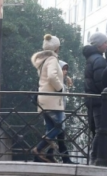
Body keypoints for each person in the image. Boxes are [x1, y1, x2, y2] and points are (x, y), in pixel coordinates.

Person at [30, 34, 65, 163]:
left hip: (44, 98)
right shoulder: (52, 59)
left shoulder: (43, 60)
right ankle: (38, 149)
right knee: (59, 126)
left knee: (51, 128)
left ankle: (49, 154)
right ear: (56, 48)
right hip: (52, 99)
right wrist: (60, 88)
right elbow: (51, 76)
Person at [41, 60, 74, 164]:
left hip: (59, 114)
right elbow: (59, 98)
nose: (65, 72)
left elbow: (64, 99)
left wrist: (68, 86)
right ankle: (42, 151)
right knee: (57, 136)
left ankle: (48, 155)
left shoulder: (61, 84)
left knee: (59, 138)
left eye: (66, 70)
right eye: (63, 69)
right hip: (55, 114)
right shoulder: (56, 84)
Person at [82, 33, 107, 159]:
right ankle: (96, 157)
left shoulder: (91, 58)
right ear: (99, 45)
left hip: (91, 98)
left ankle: (95, 157)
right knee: (100, 129)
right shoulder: (98, 59)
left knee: (97, 129)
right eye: (105, 42)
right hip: (98, 99)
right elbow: (100, 81)